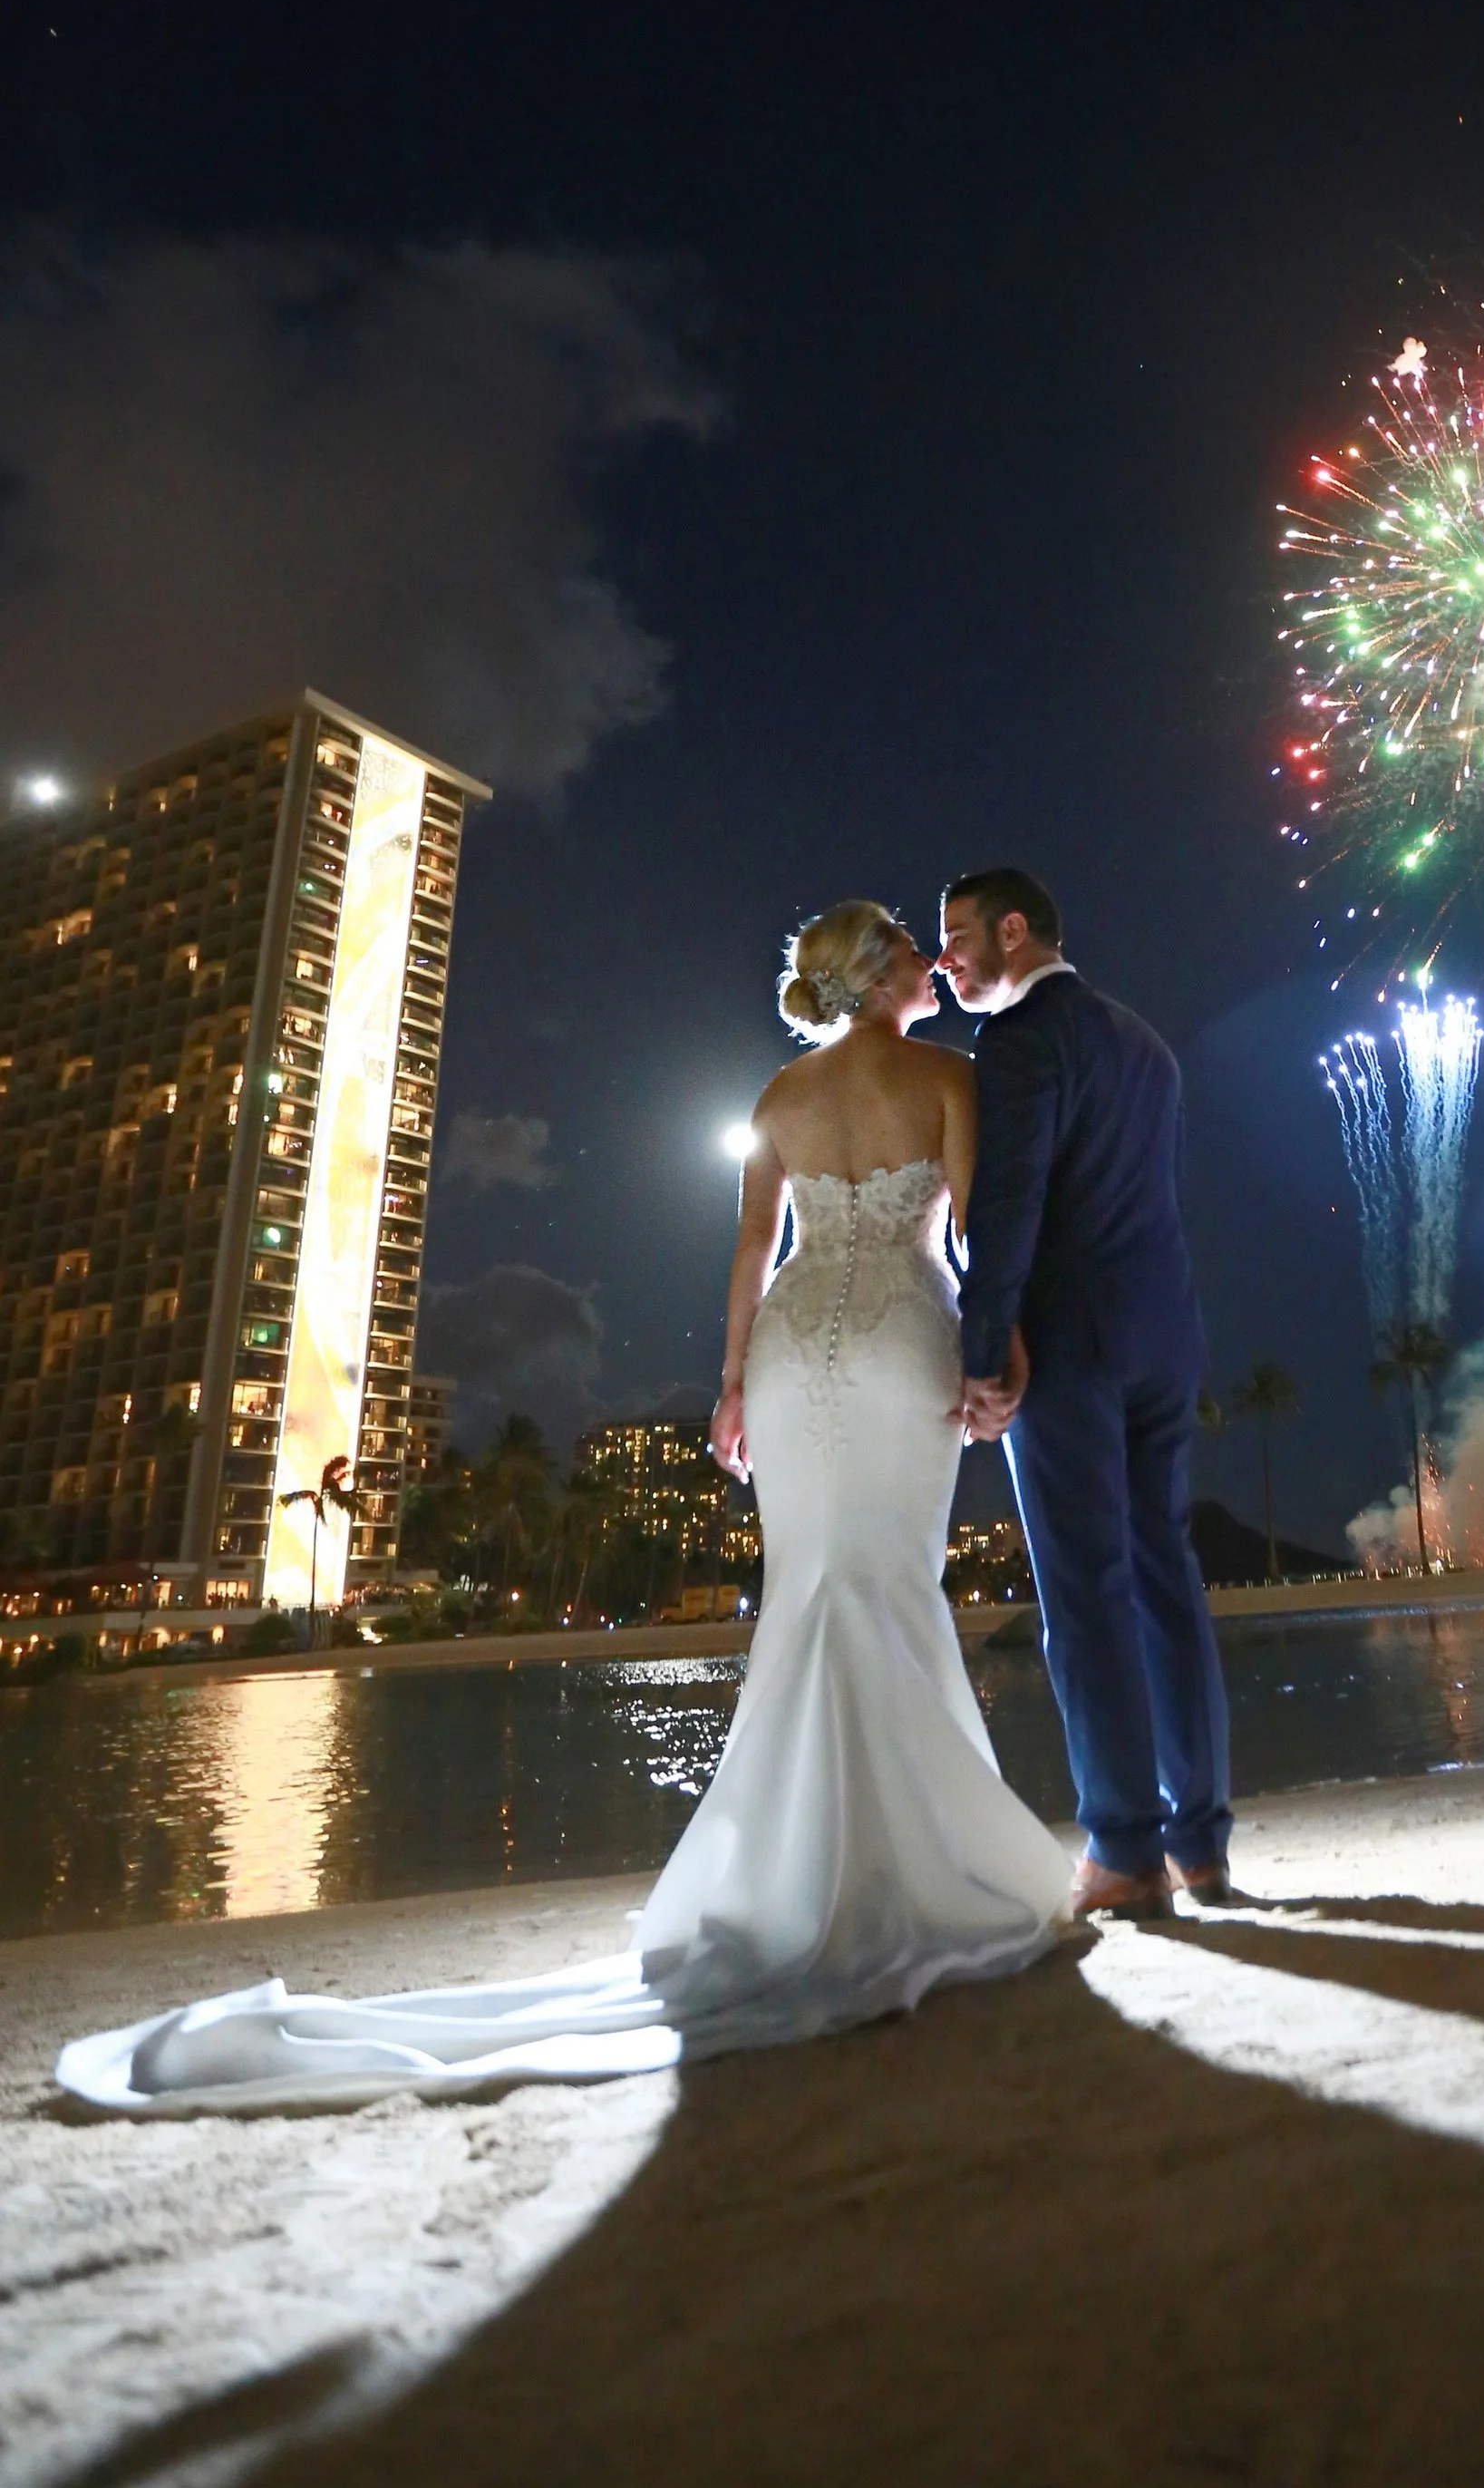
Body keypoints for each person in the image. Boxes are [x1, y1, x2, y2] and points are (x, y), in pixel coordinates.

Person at [56, 900, 1071, 2114]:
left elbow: (753, 1251)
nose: (930, 961)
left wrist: (732, 1385)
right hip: (903, 1329)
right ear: (879, 969)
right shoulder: (948, 1076)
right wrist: (996, 1349)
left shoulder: (778, 1097)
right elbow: (979, 1229)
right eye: (911, 943)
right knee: (890, 1578)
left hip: (795, 1347)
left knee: (807, 1588)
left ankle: (801, 1873)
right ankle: (916, 1864)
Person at [938, 866, 1232, 1918]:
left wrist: (984, 1352)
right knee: (1166, 1578)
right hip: (1167, 1333)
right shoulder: (1146, 1043)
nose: (945, 958)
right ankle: (1201, 1844)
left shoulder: (1020, 1039)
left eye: (958, 934)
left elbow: (1008, 1205)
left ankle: (1122, 1849)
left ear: (1014, 930)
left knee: (1084, 1591)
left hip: (1070, 1343)